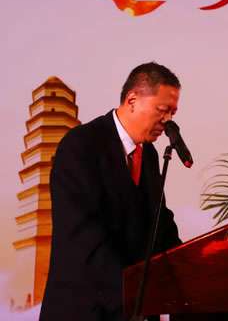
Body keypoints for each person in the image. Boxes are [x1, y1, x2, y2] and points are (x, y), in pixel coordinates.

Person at [40, 62, 183, 321]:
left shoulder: (149, 155)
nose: (168, 121)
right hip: (85, 309)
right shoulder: (81, 145)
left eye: (172, 113)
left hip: (132, 309)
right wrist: (130, 295)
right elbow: (84, 236)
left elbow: (160, 225)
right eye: (162, 110)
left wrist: (192, 267)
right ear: (132, 100)